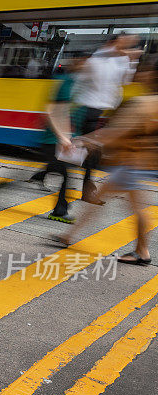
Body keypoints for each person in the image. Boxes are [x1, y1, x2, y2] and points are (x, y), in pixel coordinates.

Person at [59, 58, 158, 266]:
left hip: (132, 163)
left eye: (144, 69)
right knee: (102, 197)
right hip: (143, 162)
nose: (140, 73)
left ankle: (143, 252)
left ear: (152, 76)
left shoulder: (143, 103)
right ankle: (68, 236)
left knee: (136, 208)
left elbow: (116, 132)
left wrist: (85, 140)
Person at [72, 32, 142, 204]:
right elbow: (85, 78)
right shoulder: (98, 58)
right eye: (125, 42)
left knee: (88, 151)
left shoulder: (122, 59)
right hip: (90, 109)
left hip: (104, 112)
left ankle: (49, 170)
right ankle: (87, 191)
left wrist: (131, 61)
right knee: (90, 152)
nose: (128, 46)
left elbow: (125, 81)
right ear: (114, 42)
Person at [27, 52, 89, 224]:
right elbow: (52, 111)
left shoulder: (80, 85)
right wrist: (63, 137)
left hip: (66, 139)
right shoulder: (67, 83)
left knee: (61, 172)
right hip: (54, 140)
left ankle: (38, 177)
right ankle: (59, 211)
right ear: (78, 62)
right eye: (84, 62)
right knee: (66, 175)